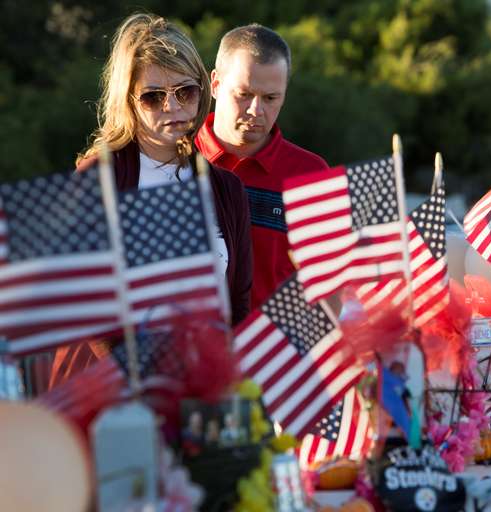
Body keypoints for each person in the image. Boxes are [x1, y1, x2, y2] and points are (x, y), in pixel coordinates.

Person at [49, 14, 253, 388]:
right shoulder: (98, 180)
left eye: (185, 91)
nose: (172, 107)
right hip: (106, 396)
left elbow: (237, 306)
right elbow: (84, 303)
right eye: (153, 96)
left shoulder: (226, 189)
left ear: (202, 92)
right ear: (129, 100)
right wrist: (147, 382)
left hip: (197, 397)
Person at [195, 24, 328, 308]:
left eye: (270, 98)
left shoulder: (312, 173)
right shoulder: (172, 157)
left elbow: (329, 289)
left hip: (275, 348)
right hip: (182, 348)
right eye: (244, 94)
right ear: (216, 84)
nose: (257, 111)